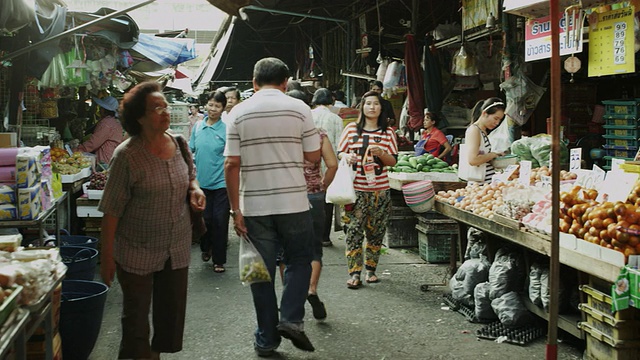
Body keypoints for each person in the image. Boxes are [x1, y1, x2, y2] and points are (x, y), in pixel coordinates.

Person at [99, 81, 206, 359]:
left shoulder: (180, 143)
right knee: (135, 322)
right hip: (136, 251)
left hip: (176, 248)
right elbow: (111, 212)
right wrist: (107, 258)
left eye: (165, 106)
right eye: (156, 108)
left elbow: (191, 176)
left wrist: (195, 189)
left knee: (169, 318)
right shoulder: (126, 156)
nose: (165, 112)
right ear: (139, 117)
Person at [224, 57, 321, 357]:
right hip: (293, 202)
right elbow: (314, 156)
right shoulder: (301, 109)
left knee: (259, 272)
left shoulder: (237, 113)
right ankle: (291, 318)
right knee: (300, 259)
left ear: (254, 82)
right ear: (285, 82)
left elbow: (231, 163)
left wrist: (235, 210)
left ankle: (267, 339)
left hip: (254, 206)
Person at [337, 90, 398, 289]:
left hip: (380, 190)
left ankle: (371, 270)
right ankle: (354, 273)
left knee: (376, 231)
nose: (372, 107)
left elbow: (393, 161)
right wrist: (346, 157)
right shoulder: (352, 129)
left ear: (381, 108)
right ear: (362, 107)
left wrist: (382, 153)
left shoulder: (388, 132)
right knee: (354, 231)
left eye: (376, 104)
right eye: (368, 103)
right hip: (355, 190)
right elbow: (340, 152)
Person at [190, 91, 229, 273]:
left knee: (220, 221)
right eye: (211, 105)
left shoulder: (226, 129)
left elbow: (232, 157)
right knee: (205, 220)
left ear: (223, 108)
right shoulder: (198, 127)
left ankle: (219, 260)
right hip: (201, 184)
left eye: (217, 106)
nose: (213, 109)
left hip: (222, 183)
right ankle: (206, 248)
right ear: (206, 105)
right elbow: (190, 151)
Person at [310, 88, 343, 247]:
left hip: (311, 166)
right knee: (327, 201)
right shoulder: (336, 119)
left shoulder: (308, 115)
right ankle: (324, 237)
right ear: (332, 101)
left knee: (310, 200)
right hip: (331, 165)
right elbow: (339, 145)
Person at [464, 97, 506, 183]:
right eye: (495, 118)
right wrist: (492, 155)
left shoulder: (483, 131)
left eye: (500, 120)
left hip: (486, 184)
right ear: (484, 113)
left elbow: (482, 157)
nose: (497, 123)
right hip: (478, 186)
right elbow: (473, 160)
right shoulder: (474, 130)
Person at [76, 96, 124, 165]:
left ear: (105, 110)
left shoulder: (106, 123)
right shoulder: (114, 121)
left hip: (105, 158)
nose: (99, 110)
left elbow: (94, 143)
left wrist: (78, 150)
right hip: (111, 157)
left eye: (101, 108)